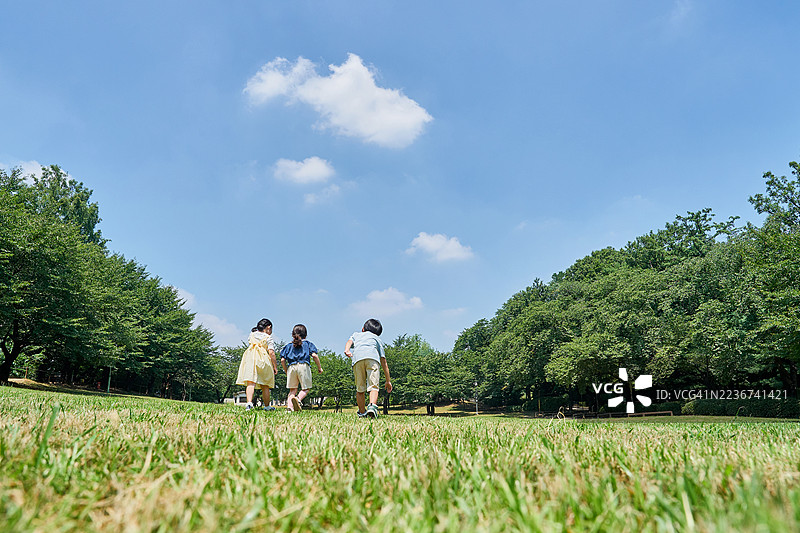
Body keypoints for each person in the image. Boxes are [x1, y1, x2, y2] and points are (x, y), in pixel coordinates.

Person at [344, 318, 392, 419]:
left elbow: (349, 341)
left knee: (360, 389)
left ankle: (362, 413)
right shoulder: (377, 339)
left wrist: (347, 350)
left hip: (357, 360)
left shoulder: (356, 334)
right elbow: (384, 361)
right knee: (373, 386)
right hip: (372, 359)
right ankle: (371, 407)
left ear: (363, 329)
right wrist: (388, 381)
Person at [235, 318, 278, 411]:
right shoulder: (268, 337)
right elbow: (271, 352)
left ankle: (249, 403)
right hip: (263, 360)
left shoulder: (252, 334)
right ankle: (267, 406)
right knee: (265, 384)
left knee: (250, 382)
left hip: (250, 358)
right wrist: (275, 366)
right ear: (268, 327)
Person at [280, 324, 323, 412]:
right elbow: (314, 356)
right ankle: (298, 399)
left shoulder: (288, 346)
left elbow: (282, 360)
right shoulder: (308, 344)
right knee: (306, 389)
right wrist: (319, 368)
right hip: (303, 366)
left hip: (291, 367)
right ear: (305, 335)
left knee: (292, 390)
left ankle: (289, 408)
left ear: (293, 334)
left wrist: (286, 370)